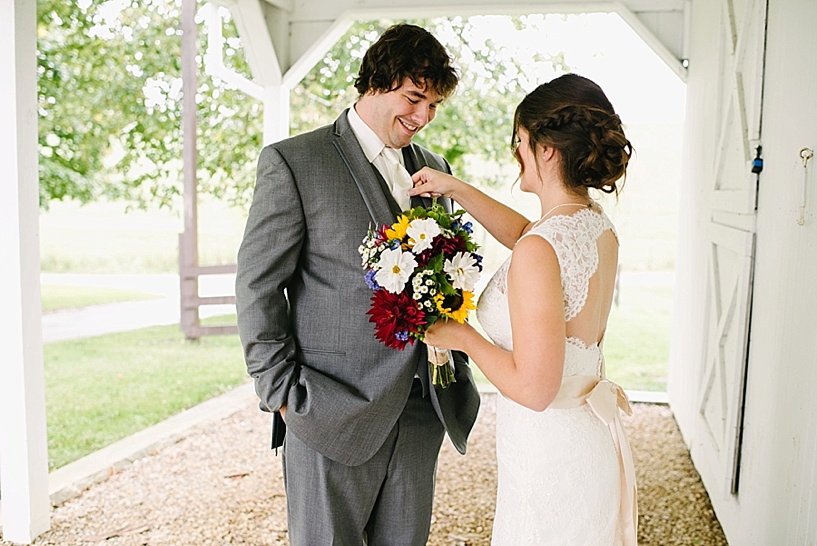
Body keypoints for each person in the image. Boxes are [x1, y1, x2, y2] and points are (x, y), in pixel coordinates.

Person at [235, 23, 481, 546]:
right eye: (415, 98)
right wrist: (279, 391)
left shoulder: (435, 169)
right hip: (328, 412)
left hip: (421, 412)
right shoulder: (294, 162)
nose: (423, 117)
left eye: (434, 105)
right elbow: (257, 286)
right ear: (375, 81)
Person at [410, 73, 637, 545]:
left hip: (548, 454)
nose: (517, 152)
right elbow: (531, 237)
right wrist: (458, 190)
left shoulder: (544, 246)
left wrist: (461, 335)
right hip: (585, 441)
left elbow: (534, 389)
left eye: (521, 140)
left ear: (547, 150)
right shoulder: (594, 226)